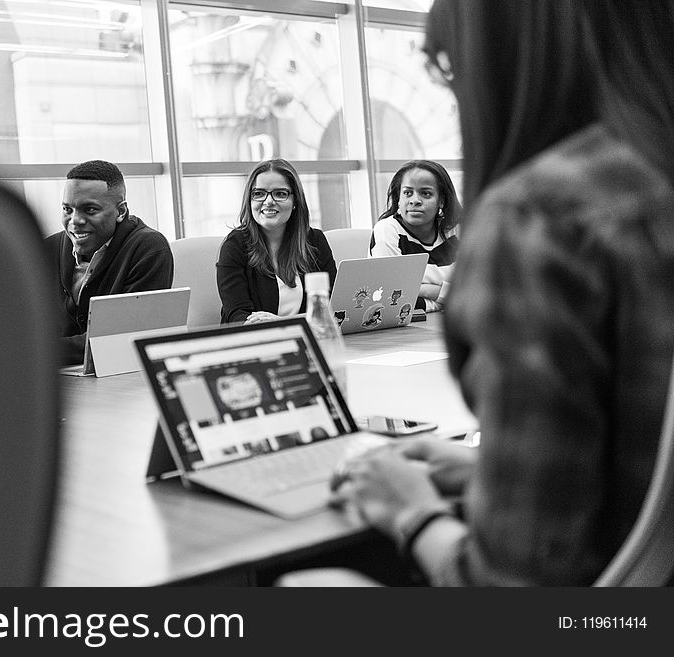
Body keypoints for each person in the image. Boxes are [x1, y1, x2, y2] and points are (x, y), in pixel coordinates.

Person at [331, 0, 674, 585]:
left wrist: (411, 513)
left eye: (448, 67)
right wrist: (484, 470)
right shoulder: (650, 174)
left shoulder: (543, 215)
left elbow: (514, 588)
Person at [43, 160, 174, 364]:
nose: (75, 221)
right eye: (67, 209)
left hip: (119, 376)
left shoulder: (149, 248)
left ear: (120, 211)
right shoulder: (48, 249)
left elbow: (122, 339)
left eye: (90, 210)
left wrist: (38, 350)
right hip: (58, 376)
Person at [217, 158, 336, 324]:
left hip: (310, 340)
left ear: (295, 201)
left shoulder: (314, 241)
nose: (268, 201)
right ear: (249, 201)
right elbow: (236, 314)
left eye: (280, 194)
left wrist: (283, 322)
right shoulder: (235, 245)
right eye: (258, 194)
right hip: (254, 344)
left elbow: (332, 304)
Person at [369, 160, 462, 312]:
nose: (415, 201)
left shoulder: (454, 231)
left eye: (426, 193)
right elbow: (392, 296)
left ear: (442, 200)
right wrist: (445, 297)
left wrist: (422, 290)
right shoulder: (387, 230)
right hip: (399, 330)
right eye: (407, 193)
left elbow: (473, 290)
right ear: (398, 199)